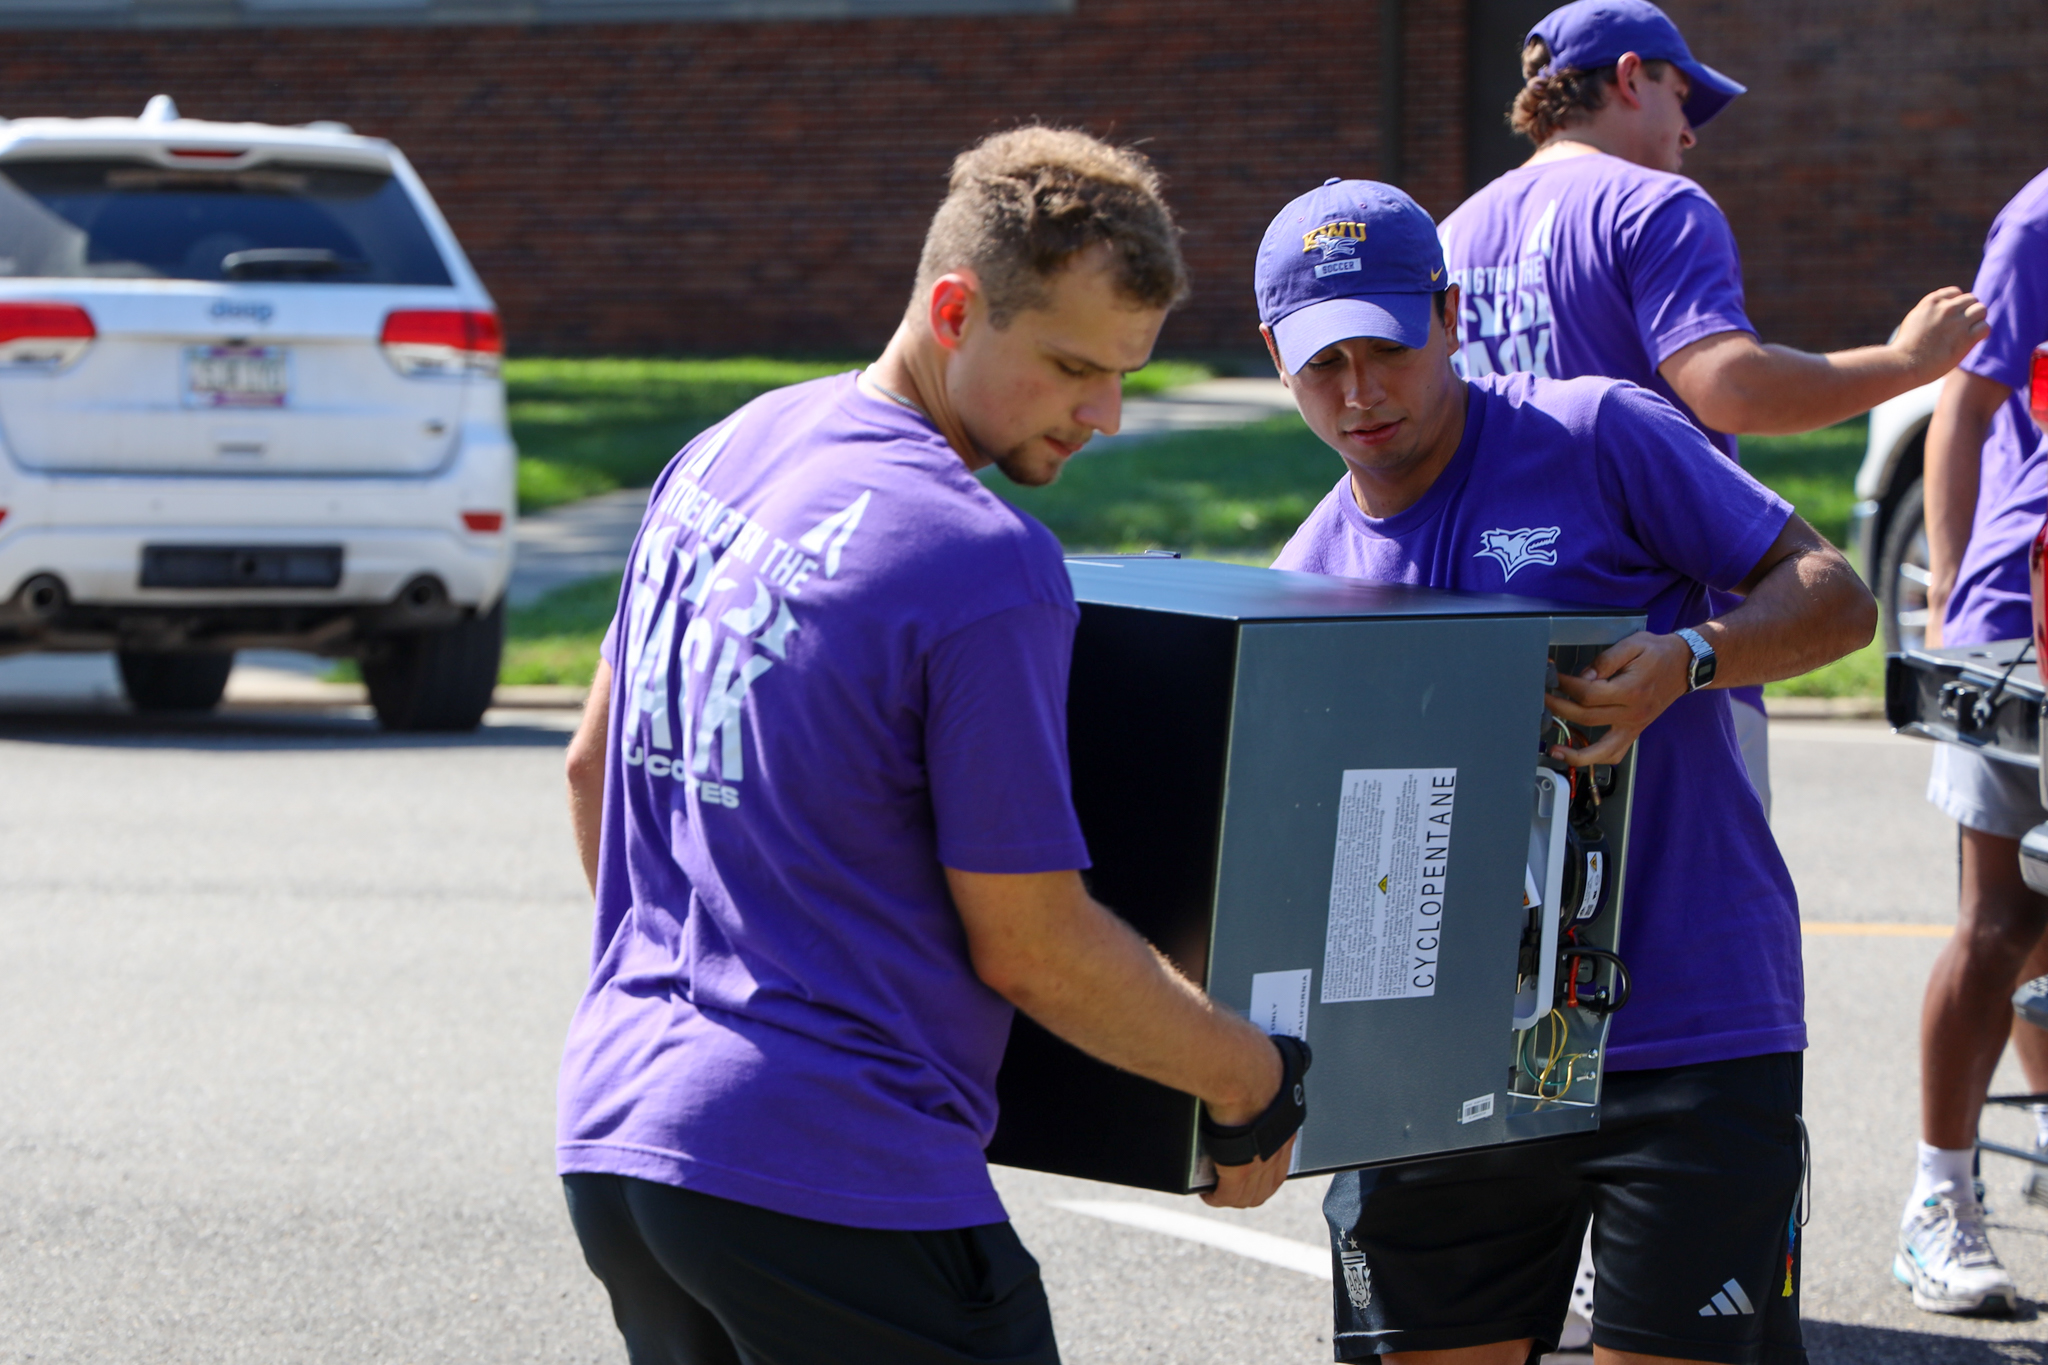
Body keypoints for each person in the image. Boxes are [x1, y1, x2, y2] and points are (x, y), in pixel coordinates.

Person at [553, 127, 1305, 1365]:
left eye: (1126, 373)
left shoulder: (725, 455)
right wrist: (1246, 1079)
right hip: (831, 1173)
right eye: (1071, 366)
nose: (1105, 415)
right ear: (954, 309)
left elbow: (594, 770)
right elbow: (1030, 942)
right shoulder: (978, 559)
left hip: (625, 1142)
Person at [1257, 177, 1874, 1364]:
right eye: (1318, 363)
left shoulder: (1596, 431)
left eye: (1382, 348)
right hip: (1433, 1070)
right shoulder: (1308, 573)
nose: (1356, 393)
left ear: (1446, 316)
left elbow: (1833, 598)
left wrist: (1688, 658)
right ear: (1276, 359)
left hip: (1687, 1027)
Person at [1438, 0, 1985, 822]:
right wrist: (1906, 363)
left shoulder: (1450, 235)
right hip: (1661, 662)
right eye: (1683, 98)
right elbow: (1731, 385)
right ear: (1631, 78)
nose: (1689, 134)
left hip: (1487, 659)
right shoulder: (1656, 206)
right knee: (1692, 939)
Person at [1899, 164, 2048, 1317]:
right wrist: (1950, 617)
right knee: (2003, 920)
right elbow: (1960, 404)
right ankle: (1935, 1200)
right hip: (2017, 610)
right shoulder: (2039, 218)